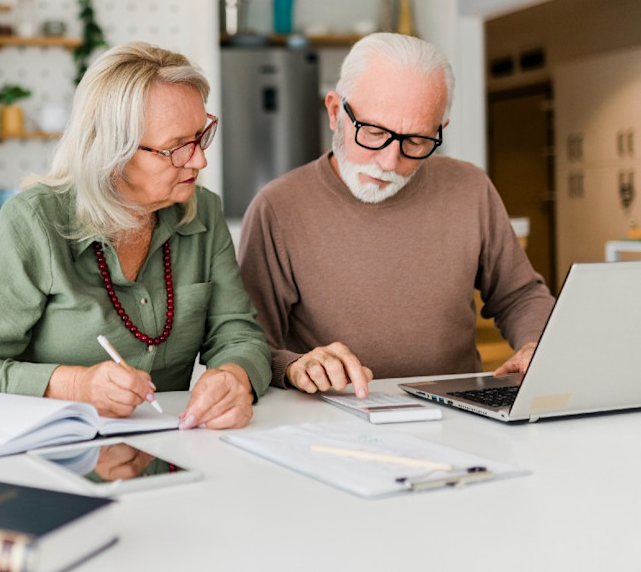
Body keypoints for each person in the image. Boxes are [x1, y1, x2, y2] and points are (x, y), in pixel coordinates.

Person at [0, 41, 271, 430]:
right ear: (113, 152)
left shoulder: (203, 212)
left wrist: (234, 376)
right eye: (177, 147)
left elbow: (237, 333)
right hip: (52, 456)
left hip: (170, 448)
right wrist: (75, 384)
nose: (199, 159)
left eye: (200, 135)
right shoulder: (35, 221)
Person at [238, 33, 555, 398]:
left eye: (416, 141)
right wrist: (295, 366)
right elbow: (249, 344)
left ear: (440, 130)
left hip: (456, 413)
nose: (390, 162)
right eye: (373, 132)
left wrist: (536, 345)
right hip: (335, 419)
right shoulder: (278, 208)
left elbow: (520, 295)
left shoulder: (470, 188)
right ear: (334, 112)